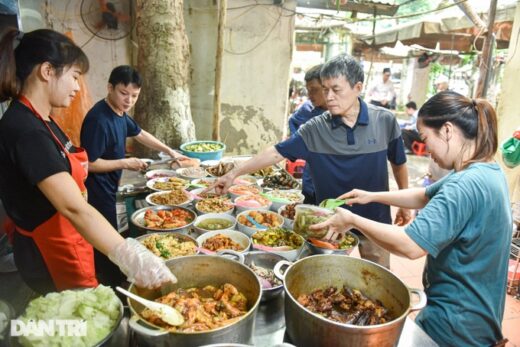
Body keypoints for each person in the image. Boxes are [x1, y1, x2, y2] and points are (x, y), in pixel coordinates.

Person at [312, 91, 512, 347]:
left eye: (426, 138)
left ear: (448, 130)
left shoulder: (463, 185)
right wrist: (371, 196)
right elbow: (426, 195)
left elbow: (410, 245)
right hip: (480, 319)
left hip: (454, 326)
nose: (427, 149)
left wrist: (353, 220)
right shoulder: (485, 171)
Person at [0, 28, 176, 294]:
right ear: (47, 71)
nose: (77, 87)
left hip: (70, 238)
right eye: (74, 76)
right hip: (50, 252)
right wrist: (130, 255)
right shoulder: (25, 130)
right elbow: (73, 208)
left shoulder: (43, 120)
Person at [213, 53, 411, 268]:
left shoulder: (384, 120)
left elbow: (398, 162)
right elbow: (276, 153)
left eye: (336, 89)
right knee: (328, 279)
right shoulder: (315, 128)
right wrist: (233, 173)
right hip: (329, 223)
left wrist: (403, 201)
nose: (329, 97)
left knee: (378, 280)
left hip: (375, 221)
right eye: (325, 89)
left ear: (358, 87)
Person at [80, 65, 188, 287]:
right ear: (110, 88)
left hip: (111, 186)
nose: (128, 100)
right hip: (97, 191)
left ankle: (114, 277)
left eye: (134, 96)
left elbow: (140, 134)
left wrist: (170, 151)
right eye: (123, 93)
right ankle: (111, 285)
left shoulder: (119, 113)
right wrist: (125, 163)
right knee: (106, 241)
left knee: (114, 235)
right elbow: (89, 163)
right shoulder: (99, 119)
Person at [288, 64, 327, 204]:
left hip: (331, 186)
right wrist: (300, 142)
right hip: (310, 181)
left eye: (314, 90)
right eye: (308, 90)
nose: (310, 95)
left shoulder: (339, 113)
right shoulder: (308, 108)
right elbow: (293, 121)